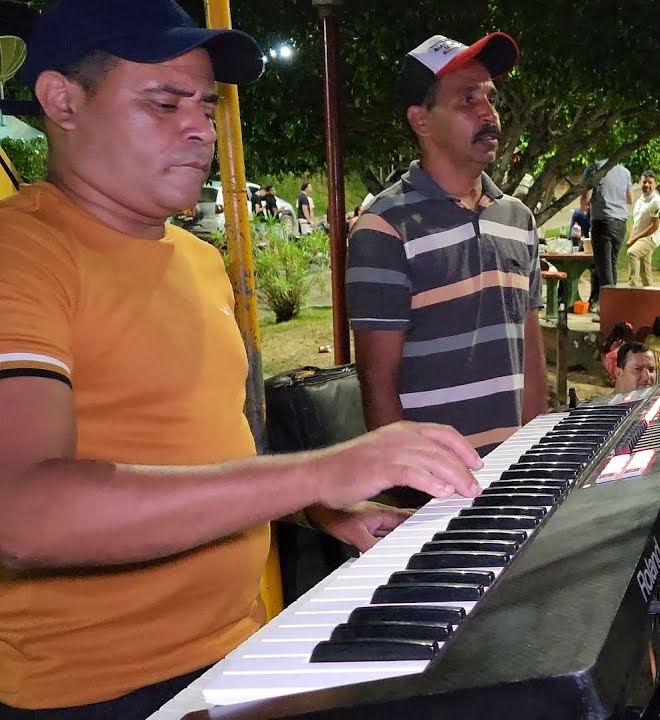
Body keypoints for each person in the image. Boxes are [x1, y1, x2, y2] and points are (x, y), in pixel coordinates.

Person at [0, 2, 485, 717]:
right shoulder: (24, 255)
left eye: (204, 104)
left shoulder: (198, 261)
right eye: (164, 103)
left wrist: (321, 507)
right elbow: (21, 514)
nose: (200, 129)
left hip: (238, 650)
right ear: (61, 101)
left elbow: (198, 454)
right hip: (95, 692)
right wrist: (321, 468)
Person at [345, 32, 548, 485]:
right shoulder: (383, 228)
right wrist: (409, 490)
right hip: (438, 489)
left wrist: (536, 459)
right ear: (421, 120)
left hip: (516, 475)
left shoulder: (518, 219)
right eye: (466, 100)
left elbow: (529, 351)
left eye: (490, 98)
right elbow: (378, 384)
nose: (488, 114)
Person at [583, 160, 632, 311]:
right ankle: (613, 305)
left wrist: (585, 206)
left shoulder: (594, 168)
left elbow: (586, 197)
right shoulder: (625, 171)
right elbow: (630, 198)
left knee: (603, 268)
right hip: (621, 222)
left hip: (603, 221)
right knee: (612, 264)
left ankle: (609, 310)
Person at [626, 170, 660, 288]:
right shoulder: (639, 201)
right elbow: (635, 222)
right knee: (645, 272)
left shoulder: (656, 201)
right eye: (644, 182)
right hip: (640, 238)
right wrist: (631, 238)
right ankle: (650, 295)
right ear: (640, 183)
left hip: (651, 238)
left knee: (632, 253)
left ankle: (632, 286)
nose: (646, 185)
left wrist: (634, 240)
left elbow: (654, 227)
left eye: (650, 182)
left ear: (655, 184)